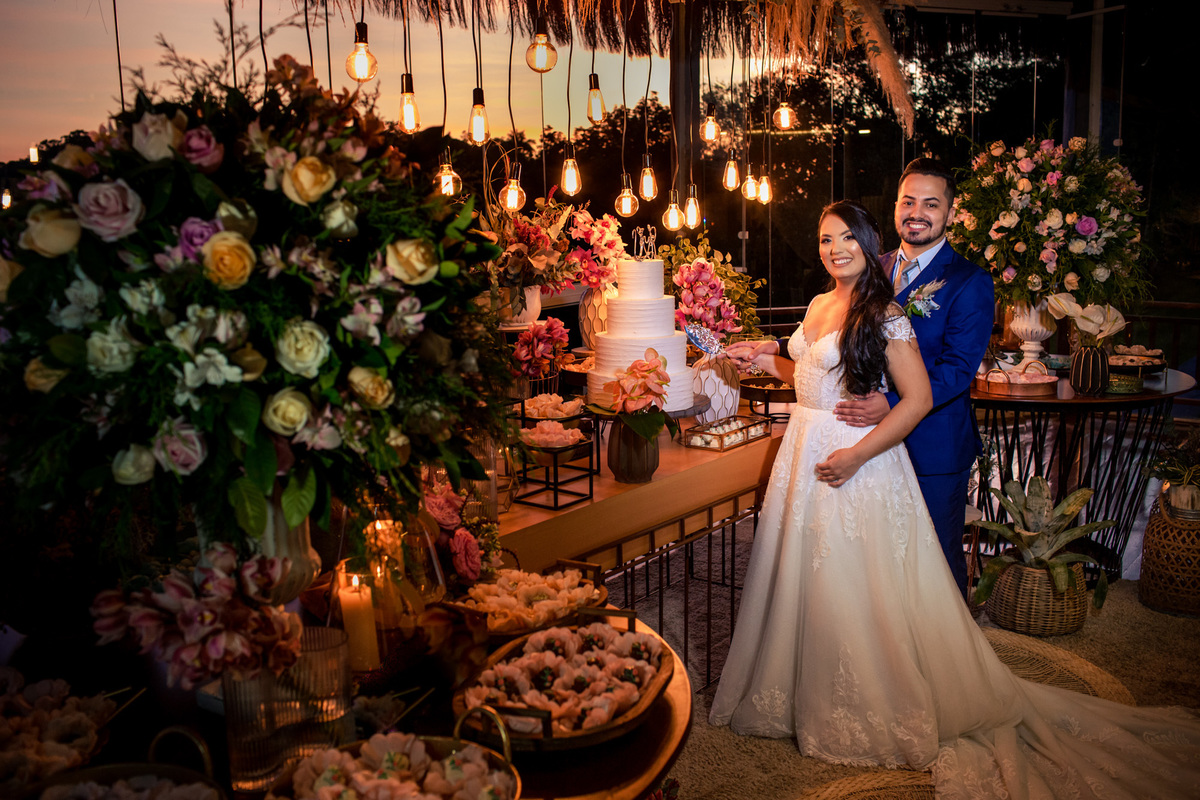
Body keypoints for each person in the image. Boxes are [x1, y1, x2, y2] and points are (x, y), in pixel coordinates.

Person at [710, 200, 1200, 798]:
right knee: (810, 577)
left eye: (846, 238)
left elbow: (915, 399)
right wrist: (764, 355)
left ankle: (868, 698)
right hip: (804, 452)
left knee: (858, 582)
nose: (835, 248)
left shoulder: (884, 312)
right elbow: (812, 378)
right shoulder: (817, 306)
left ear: (867, 244)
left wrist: (857, 456)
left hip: (855, 460)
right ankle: (801, 688)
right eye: (825, 238)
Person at [730, 159, 993, 594]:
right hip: (852, 433)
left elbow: (958, 370)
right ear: (895, 207)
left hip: (932, 441)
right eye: (909, 201)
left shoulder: (969, 281)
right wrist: (772, 348)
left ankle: (938, 655)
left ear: (950, 212)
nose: (917, 212)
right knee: (867, 569)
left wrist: (888, 403)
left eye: (931, 204)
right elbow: (835, 336)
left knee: (932, 562)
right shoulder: (868, 263)